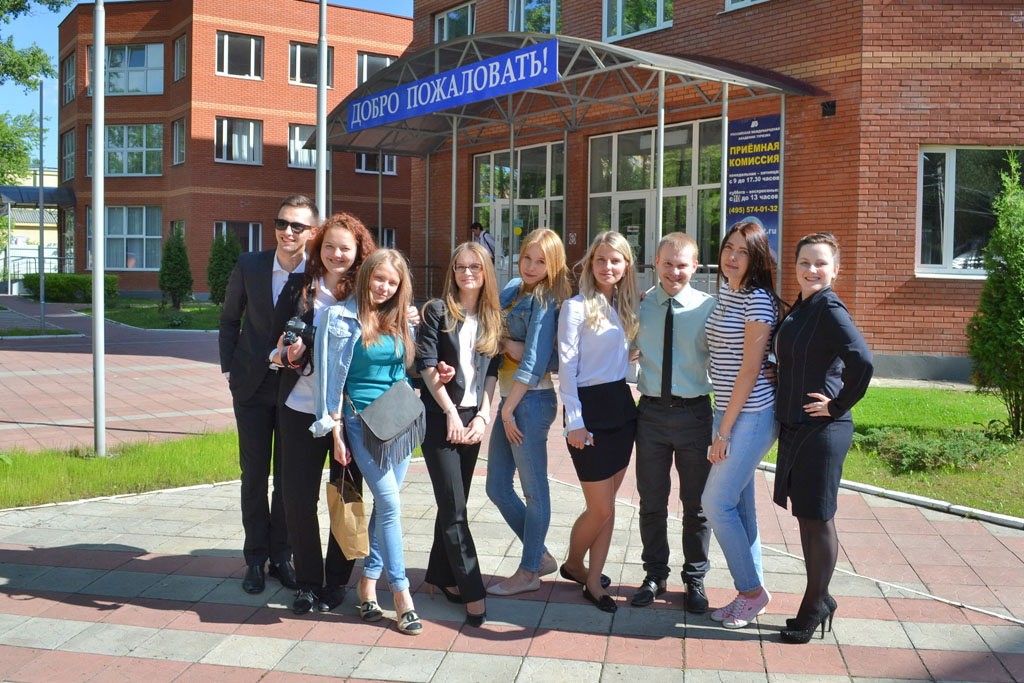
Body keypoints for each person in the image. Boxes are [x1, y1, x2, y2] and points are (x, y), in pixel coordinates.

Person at [310, 248, 423, 635]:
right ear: (366, 277)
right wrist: (335, 430)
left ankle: (368, 584)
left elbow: (404, 370)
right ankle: (402, 594)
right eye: (379, 279)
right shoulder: (338, 317)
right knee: (390, 503)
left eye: (393, 283)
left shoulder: (401, 318)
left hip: (399, 418)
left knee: (384, 508)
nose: (385, 288)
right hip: (361, 423)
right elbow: (328, 379)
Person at [273, 212, 376, 614]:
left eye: (344, 248)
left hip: (348, 414)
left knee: (346, 496)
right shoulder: (300, 288)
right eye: (329, 246)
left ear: (358, 252)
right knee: (297, 498)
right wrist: (287, 353)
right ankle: (308, 581)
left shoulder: (367, 293)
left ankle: (336, 581)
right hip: (300, 409)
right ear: (319, 248)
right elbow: (275, 345)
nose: (336, 254)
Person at [773, 232, 872, 644]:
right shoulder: (804, 305)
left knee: (818, 519)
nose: (811, 269)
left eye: (820, 263)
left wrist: (837, 406)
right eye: (804, 263)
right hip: (799, 428)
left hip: (822, 430)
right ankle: (820, 596)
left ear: (836, 270)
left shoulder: (829, 308)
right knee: (807, 518)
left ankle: (814, 604)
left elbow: (862, 362)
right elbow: (802, 356)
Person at [218, 194, 316, 594]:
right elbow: (229, 319)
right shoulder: (250, 264)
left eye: (297, 226)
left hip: (295, 389)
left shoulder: (317, 274)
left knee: (288, 479)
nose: (287, 231)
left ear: (312, 232)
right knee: (254, 475)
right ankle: (255, 560)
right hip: (251, 386)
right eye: (281, 223)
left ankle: (282, 556)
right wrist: (230, 370)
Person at [416, 242, 502, 626]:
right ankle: (473, 592)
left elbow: (491, 373)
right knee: (455, 511)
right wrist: (450, 412)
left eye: (475, 267)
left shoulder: (493, 318)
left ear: (486, 272)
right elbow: (426, 365)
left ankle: (441, 575)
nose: (467, 273)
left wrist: (483, 416)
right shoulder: (436, 311)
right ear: (452, 271)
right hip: (440, 418)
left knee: (454, 502)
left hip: (472, 419)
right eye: (460, 267)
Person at [702, 220, 782, 629]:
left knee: (715, 503)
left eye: (743, 252)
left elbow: (750, 370)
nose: (732, 257)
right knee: (739, 506)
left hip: (750, 415)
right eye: (728, 248)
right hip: (729, 410)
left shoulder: (758, 301)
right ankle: (754, 592)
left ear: (757, 259)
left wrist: (724, 432)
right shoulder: (727, 294)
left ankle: (751, 592)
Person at [630, 232, 716, 613]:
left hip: (694, 414)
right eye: (667, 264)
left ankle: (695, 578)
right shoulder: (641, 305)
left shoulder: (709, 308)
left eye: (682, 265)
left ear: (695, 266)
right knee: (651, 501)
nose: (674, 272)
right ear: (656, 263)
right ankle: (655, 574)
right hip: (650, 414)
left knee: (696, 506)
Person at [485, 227, 572, 596]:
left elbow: (534, 359)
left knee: (534, 491)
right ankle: (540, 555)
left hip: (530, 402)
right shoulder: (511, 289)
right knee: (496, 487)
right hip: (512, 400)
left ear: (553, 266)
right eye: (527, 258)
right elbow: (493, 333)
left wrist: (507, 411)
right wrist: (508, 344)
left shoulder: (546, 299)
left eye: (541, 261)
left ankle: (529, 570)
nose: (532, 266)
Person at [557, 231, 639, 613]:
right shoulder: (575, 307)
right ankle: (574, 564)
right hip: (587, 411)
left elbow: (620, 358)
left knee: (609, 505)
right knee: (601, 508)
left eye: (615, 260)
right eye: (601, 259)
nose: (608, 266)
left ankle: (592, 579)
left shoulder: (626, 307)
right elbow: (567, 368)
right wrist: (575, 420)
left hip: (621, 407)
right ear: (590, 263)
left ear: (626, 266)